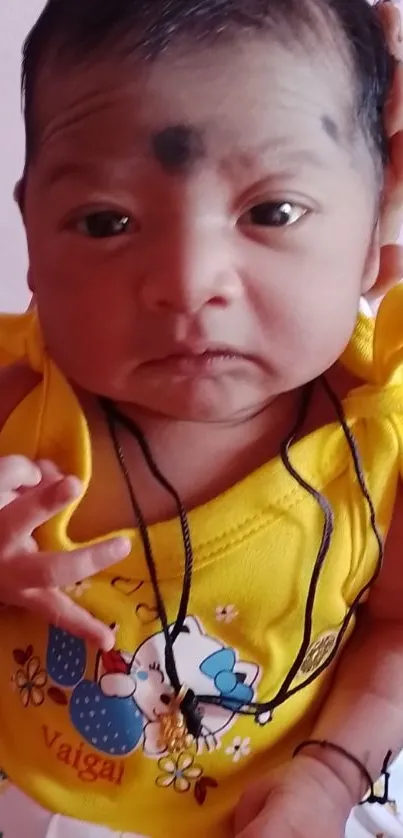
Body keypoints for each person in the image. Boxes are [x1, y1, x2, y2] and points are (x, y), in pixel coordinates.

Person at [0, 1, 403, 837]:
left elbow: (395, 634)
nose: (188, 281)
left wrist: (328, 781)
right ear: (31, 235)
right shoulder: (16, 408)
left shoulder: (378, 443)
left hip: (273, 798)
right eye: (107, 221)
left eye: (272, 212)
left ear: (374, 240)